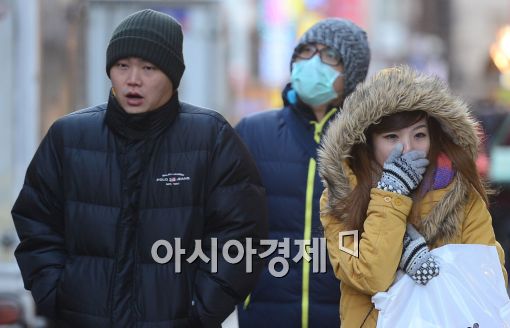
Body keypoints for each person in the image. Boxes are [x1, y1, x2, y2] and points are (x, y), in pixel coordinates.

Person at [11, 9, 268, 327]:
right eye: (122, 66)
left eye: (148, 68)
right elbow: (36, 223)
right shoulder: (70, 136)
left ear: (172, 75)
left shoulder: (210, 137)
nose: (133, 80)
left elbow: (242, 236)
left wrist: (200, 310)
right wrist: (57, 296)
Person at [318, 65, 507, 328]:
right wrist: (391, 194)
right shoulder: (340, 198)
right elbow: (370, 276)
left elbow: (487, 274)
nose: (407, 148)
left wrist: (433, 266)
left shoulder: (459, 193)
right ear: (368, 141)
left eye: (419, 135)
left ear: (434, 136)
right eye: (391, 137)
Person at [235, 18, 370, 327]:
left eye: (329, 55)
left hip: (345, 315)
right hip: (266, 313)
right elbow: (224, 223)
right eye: (306, 51)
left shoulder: (369, 142)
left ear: (351, 72)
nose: (313, 63)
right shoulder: (253, 133)